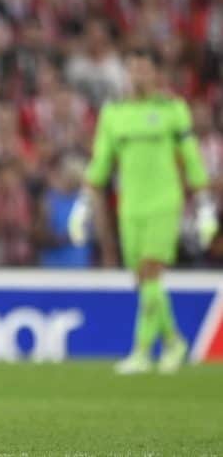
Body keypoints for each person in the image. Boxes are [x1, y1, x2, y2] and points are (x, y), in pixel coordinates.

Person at [68, 49, 219, 374]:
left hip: (164, 202)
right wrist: (83, 205)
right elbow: (101, 162)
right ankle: (174, 341)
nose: (137, 75)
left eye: (143, 69)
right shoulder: (114, 113)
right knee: (144, 281)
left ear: (155, 74)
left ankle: (141, 350)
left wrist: (205, 205)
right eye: (133, 69)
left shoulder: (172, 110)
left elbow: (191, 158)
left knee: (151, 270)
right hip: (130, 207)